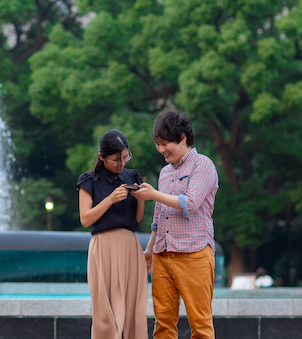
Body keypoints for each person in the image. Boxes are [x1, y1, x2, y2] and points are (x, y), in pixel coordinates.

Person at [132, 110, 218, 339]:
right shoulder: (165, 172)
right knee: (163, 325)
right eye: (157, 144)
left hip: (194, 253)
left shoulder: (203, 164)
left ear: (182, 137)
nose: (160, 150)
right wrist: (150, 249)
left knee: (200, 325)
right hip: (163, 254)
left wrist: (153, 195)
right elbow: (159, 217)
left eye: (164, 143)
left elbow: (190, 202)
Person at [77, 129, 148, 339]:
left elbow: (137, 219)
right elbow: (85, 219)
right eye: (116, 159)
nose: (121, 163)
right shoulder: (89, 180)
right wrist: (110, 199)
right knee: (106, 312)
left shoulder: (131, 175)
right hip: (103, 246)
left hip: (130, 245)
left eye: (125, 157)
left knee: (132, 309)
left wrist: (142, 196)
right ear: (102, 157)